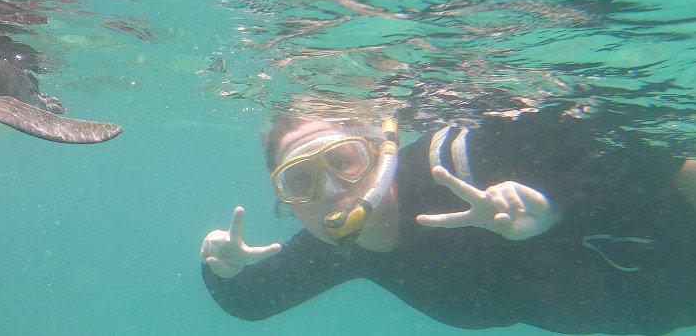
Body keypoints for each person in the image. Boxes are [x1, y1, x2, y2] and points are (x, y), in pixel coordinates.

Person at [199, 107, 696, 335]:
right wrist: (220, 267)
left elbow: (659, 166)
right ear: (286, 202)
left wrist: (555, 210)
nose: (330, 190)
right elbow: (252, 301)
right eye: (300, 180)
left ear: (383, 154)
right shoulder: (341, 247)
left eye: (344, 160)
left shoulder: (461, 158)